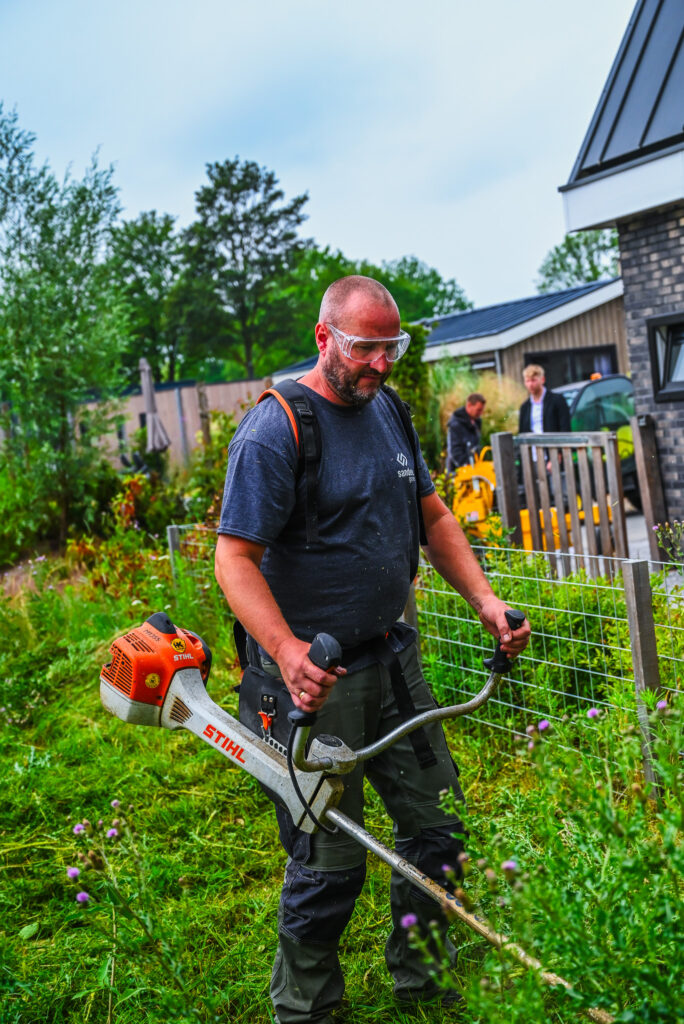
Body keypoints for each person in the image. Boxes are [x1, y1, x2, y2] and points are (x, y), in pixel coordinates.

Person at [215, 275, 530, 1024]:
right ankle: (307, 1007)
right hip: (315, 683)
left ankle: (421, 977)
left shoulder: (385, 407)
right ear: (325, 338)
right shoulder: (277, 429)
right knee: (329, 862)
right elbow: (233, 560)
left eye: (393, 347)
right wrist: (287, 650)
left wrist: (486, 601)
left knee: (438, 832)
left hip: (394, 659)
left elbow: (434, 517)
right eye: (366, 348)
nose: (382, 363)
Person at [446, 392, 486, 471]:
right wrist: (467, 466)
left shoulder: (477, 421)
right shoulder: (456, 424)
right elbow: (455, 452)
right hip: (459, 471)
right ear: (469, 405)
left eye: (481, 410)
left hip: (474, 467)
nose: (480, 413)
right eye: (478, 410)